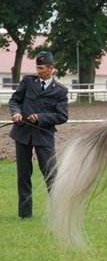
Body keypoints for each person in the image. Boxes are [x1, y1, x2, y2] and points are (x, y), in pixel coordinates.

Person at [8, 51, 69, 219]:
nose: (38, 71)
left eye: (41, 68)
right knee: (23, 174)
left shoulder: (61, 91)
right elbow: (14, 101)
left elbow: (62, 116)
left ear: (51, 68)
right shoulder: (28, 82)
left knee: (50, 174)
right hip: (22, 134)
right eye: (36, 67)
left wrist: (40, 118)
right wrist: (16, 113)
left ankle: (58, 212)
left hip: (44, 136)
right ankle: (25, 214)